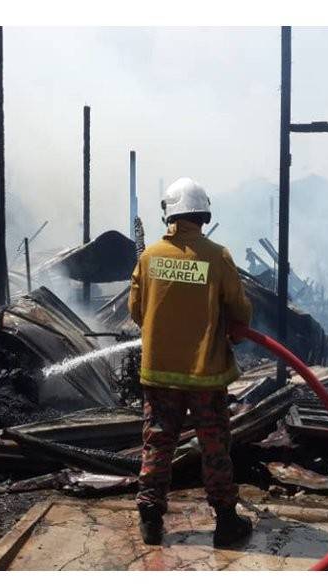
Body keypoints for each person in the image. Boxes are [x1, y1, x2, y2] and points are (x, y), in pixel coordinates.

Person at [128, 177, 254, 548]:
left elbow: (136, 311)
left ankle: (151, 521)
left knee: (157, 444)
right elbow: (240, 311)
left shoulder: (149, 258)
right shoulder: (218, 257)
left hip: (159, 374)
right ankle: (226, 523)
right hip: (205, 375)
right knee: (215, 446)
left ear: (169, 214)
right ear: (202, 214)